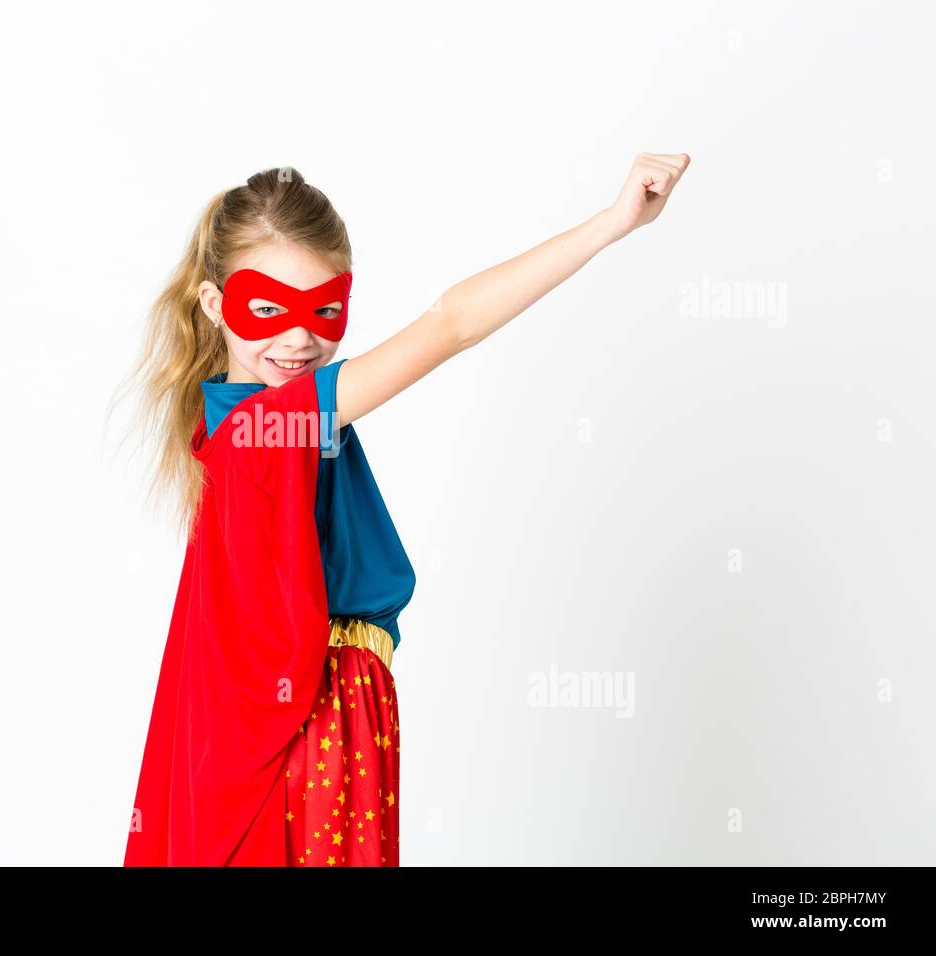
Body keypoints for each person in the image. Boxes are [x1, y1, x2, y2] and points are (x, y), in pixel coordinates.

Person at [121, 155, 690, 866]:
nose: (299, 339)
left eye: (324, 309)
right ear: (214, 304)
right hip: (309, 739)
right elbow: (450, 325)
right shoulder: (269, 428)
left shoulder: (255, 428)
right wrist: (609, 226)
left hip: (340, 723)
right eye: (267, 309)